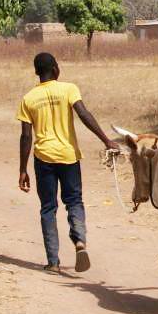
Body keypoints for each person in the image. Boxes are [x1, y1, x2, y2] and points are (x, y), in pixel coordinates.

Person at [17, 52, 119, 273]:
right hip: (69, 155)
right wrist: (106, 139)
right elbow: (84, 114)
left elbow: (26, 136)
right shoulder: (68, 89)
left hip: (43, 157)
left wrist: (22, 169)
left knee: (48, 208)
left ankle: (53, 262)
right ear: (56, 70)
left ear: (36, 73)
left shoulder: (28, 98)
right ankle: (80, 240)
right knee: (74, 201)